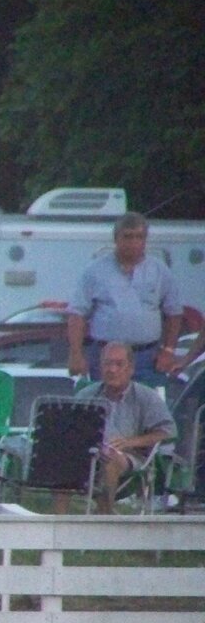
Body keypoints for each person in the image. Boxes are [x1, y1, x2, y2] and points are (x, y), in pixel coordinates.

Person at [67, 212, 183, 387]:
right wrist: (76, 354)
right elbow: (77, 314)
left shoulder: (160, 270)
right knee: (107, 409)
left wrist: (168, 350)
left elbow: (174, 313)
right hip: (107, 357)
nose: (134, 242)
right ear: (116, 238)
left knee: (149, 411)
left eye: (139, 237)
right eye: (128, 237)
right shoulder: (95, 270)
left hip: (147, 358)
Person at [70, 341, 176, 515]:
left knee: (111, 457)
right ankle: (57, 524)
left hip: (128, 457)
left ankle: (103, 517)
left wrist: (131, 442)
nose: (112, 369)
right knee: (57, 456)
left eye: (119, 364)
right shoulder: (86, 394)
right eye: (107, 364)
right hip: (87, 454)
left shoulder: (146, 397)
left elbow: (169, 432)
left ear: (131, 368)